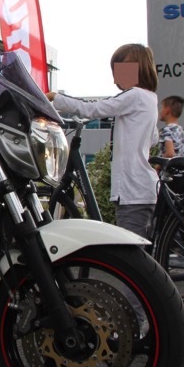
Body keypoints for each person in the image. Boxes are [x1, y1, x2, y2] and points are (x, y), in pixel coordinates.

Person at [46, 43, 159, 238]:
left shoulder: (135, 95)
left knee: (131, 255)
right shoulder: (149, 98)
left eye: (121, 69)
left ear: (138, 69)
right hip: (143, 188)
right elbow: (154, 138)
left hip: (132, 191)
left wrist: (55, 98)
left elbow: (94, 108)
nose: (116, 76)